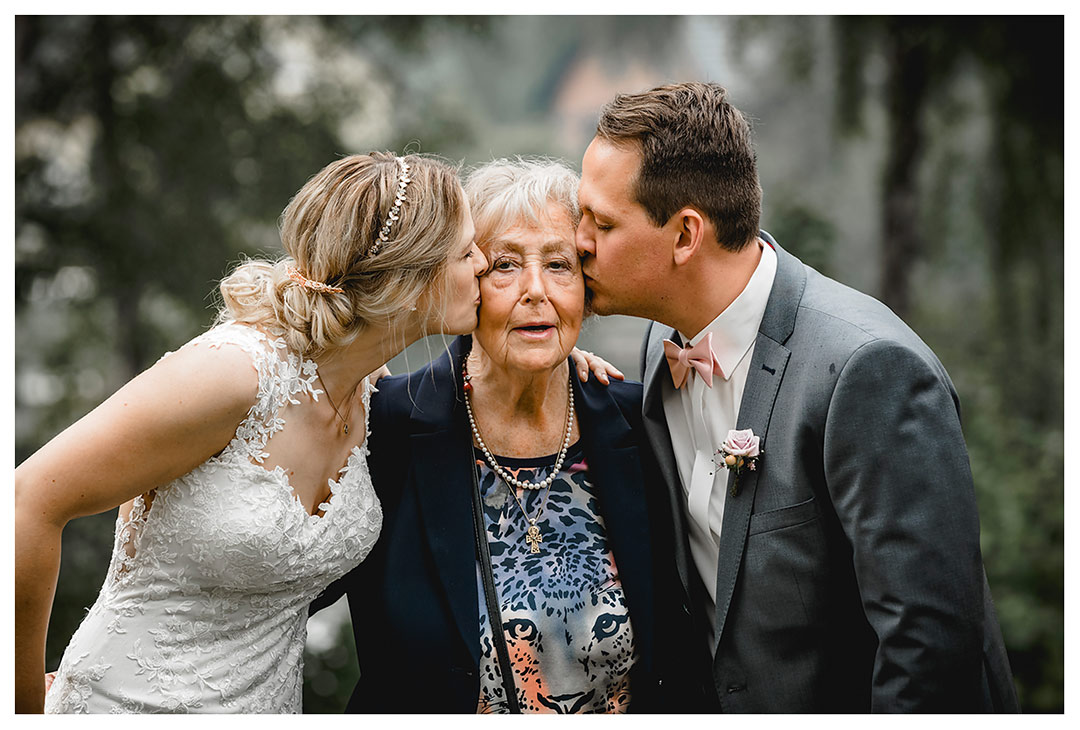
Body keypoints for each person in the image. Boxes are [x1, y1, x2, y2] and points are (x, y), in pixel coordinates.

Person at [574, 82, 1020, 712]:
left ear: (685, 236)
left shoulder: (870, 371)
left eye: (603, 222)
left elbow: (930, 646)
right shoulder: (658, 347)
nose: (579, 242)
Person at [14, 152, 492, 713]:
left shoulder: (370, 393)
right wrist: (20, 708)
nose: (485, 263)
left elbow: (487, 395)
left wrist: (564, 365)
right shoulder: (233, 374)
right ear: (410, 278)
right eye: (467, 252)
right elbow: (27, 503)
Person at [312, 158, 689, 713]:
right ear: (465, 281)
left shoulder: (643, 422)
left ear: (587, 284)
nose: (535, 291)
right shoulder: (386, 424)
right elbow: (285, 595)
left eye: (559, 264)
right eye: (504, 265)